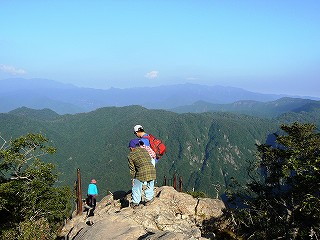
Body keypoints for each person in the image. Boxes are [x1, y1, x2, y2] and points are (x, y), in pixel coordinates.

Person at [128, 138, 156, 208]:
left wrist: (134, 178)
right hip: (152, 170)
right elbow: (149, 159)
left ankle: (135, 203)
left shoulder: (130, 155)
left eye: (130, 148)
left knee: (136, 186)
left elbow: (132, 168)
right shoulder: (144, 150)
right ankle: (149, 200)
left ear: (132, 147)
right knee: (150, 184)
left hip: (142, 172)